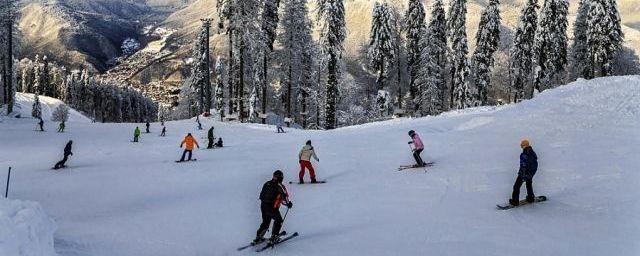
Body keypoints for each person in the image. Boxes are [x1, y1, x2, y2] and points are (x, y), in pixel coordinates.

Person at [254, 170, 293, 244]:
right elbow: (284, 197)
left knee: (266, 222)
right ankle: (274, 237)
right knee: (278, 220)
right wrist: (288, 204)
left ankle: (258, 237)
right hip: (272, 207)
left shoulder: (267, 183)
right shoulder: (280, 186)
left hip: (263, 206)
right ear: (281, 178)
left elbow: (262, 195)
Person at [510, 139, 538, 206]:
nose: (521, 147)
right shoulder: (532, 153)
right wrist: (530, 174)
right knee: (529, 184)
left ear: (524, 146)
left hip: (524, 173)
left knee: (516, 186)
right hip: (531, 173)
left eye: (522, 145)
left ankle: (515, 201)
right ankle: (531, 198)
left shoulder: (524, 155)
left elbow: (523, 166)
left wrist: (523, 175)